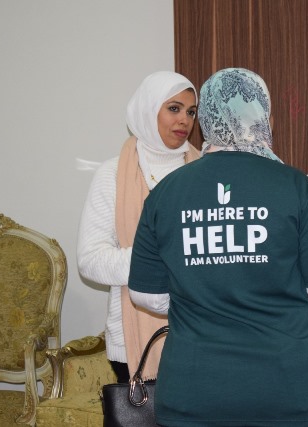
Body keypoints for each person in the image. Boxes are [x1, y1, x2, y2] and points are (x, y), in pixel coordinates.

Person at [128, 68, 308, 427]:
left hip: (196, 392)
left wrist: (204, 289)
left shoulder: (165, 193)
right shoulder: (298, 188)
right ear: (262, 117)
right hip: (294, 390)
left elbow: (147, 295)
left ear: (207, 121)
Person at [77, 71, 200, 383]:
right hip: (132, 344)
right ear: (148, 108)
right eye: (174, 108)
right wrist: (160, 257)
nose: (184, 120)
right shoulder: (112, 174)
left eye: (191, 111)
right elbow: (90, 261)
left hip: (201, 336)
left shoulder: (204, 171)